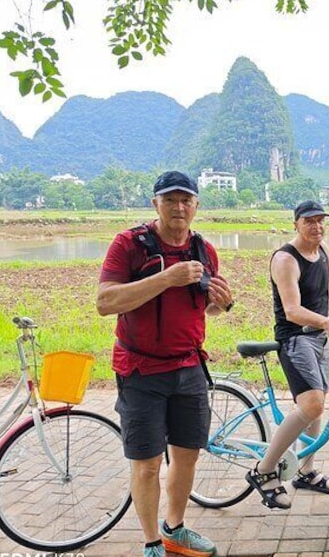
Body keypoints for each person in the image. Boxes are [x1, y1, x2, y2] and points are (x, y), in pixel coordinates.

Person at [96, 171, 233, 557]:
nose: (179, 207)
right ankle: (152, 543)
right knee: (147, 463)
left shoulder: (205, 250)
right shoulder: (129, 244)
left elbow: (204, 309)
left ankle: (174, 529)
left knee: (187, 456)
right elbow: (105, 303)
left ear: (196, 206)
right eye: (170, 200)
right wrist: (166, 277)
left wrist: (222, 303)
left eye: (186, 200)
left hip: (189, 369)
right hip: (141, 371)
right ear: (155, 203)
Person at [246, 200, 329, 510]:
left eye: (321, 221)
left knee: (315, 406)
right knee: (312, 404)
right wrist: (327, 322)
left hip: (318, 337)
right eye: (310, 221)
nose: (317, 226)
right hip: (295, 338)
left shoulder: (322, 251)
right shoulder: (285, 259)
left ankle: (306, 472)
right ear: (296, 223)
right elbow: (292, 311)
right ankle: (264, 469)